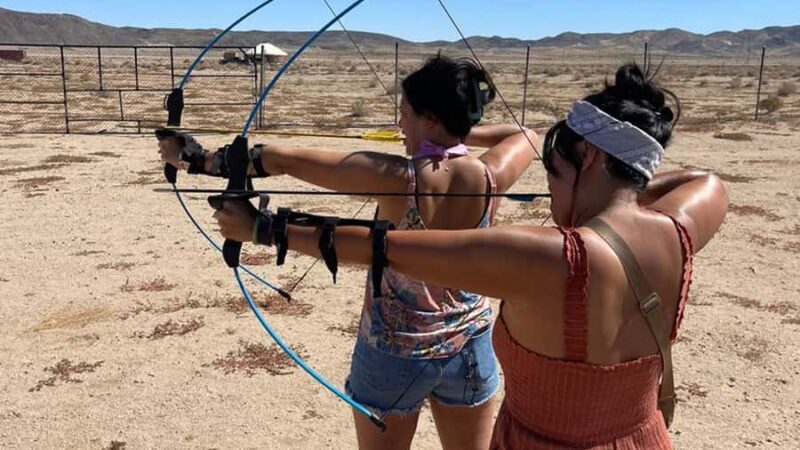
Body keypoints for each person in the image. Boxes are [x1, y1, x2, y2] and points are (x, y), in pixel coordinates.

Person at [213, 63, 728, 449]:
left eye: (553, 174)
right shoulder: (678, 230)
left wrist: (260, 226)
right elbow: (704, 180)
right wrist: (623, 191)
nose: (550, 196)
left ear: (589, 157)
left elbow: (378, 246)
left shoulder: (547, 254)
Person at [159, 55, 538, 450]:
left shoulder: (397, 177)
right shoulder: (491, 174)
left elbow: (280, 159)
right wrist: (457, 134)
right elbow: (526, 134)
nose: (399, 124)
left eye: (405, 113)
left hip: (393, 354)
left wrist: (194, 159)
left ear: (429, 118)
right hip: (471, 349)